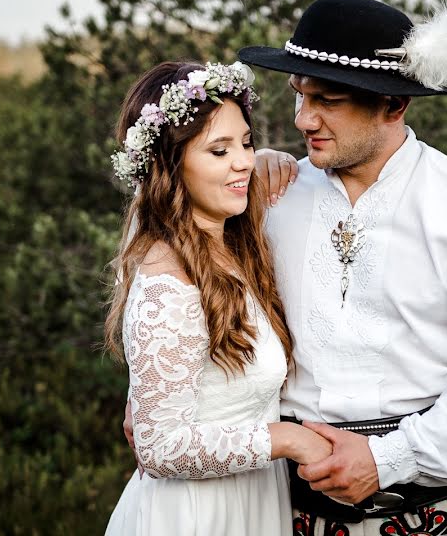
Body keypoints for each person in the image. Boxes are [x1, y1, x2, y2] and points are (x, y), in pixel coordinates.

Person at [126, 0, 447, 535]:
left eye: (327, 101)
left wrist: (387, 460)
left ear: (394, 103)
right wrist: (151, 400)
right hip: (284, 513)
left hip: (439, 510)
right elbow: (174, 279)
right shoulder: (267, 198)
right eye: (299, 95)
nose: (303, 119)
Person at [104, 60, 332, 536]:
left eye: (246, 143)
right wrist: (285, 440)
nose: (243, 162)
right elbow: (159, 447)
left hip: (252, 504)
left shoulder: (228, 245)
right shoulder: (167, 283)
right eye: (219, 150)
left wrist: (262, 156)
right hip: (196, 516)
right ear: (170, 164)